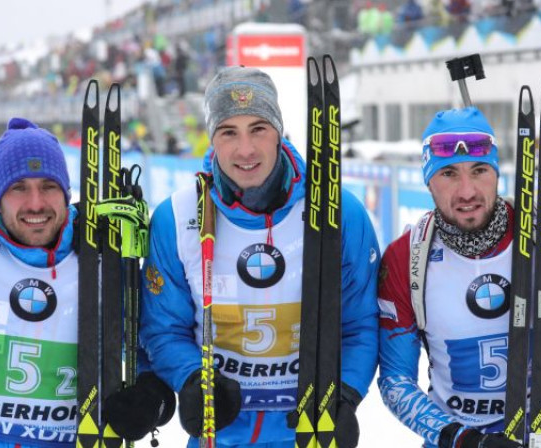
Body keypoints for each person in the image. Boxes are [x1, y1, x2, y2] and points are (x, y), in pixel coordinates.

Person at [138, 66, 380, 447]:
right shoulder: (177, 218)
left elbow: (360, 324)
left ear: (279, 132)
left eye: (258, 129)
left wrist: (346, 394)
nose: (246, 150)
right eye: (228, 132)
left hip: (308, 430)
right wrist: (190, 378)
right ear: (212, 140)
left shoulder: (337, 211)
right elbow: (163, 328)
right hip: (221, 434)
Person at [0, 117, 175, 447]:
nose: (36, 203)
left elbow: (152, 346)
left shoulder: (103, 261)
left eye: (48, 186)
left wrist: (155, 398)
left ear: (66, 193)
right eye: (18, 187)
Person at [377, 106, 541, 447]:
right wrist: (464, 439)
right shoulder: (407, 257)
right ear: (427, 179)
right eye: (448, 174)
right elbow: (395, 380)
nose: (467, 192)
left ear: (496, 173)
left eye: (478, 170)